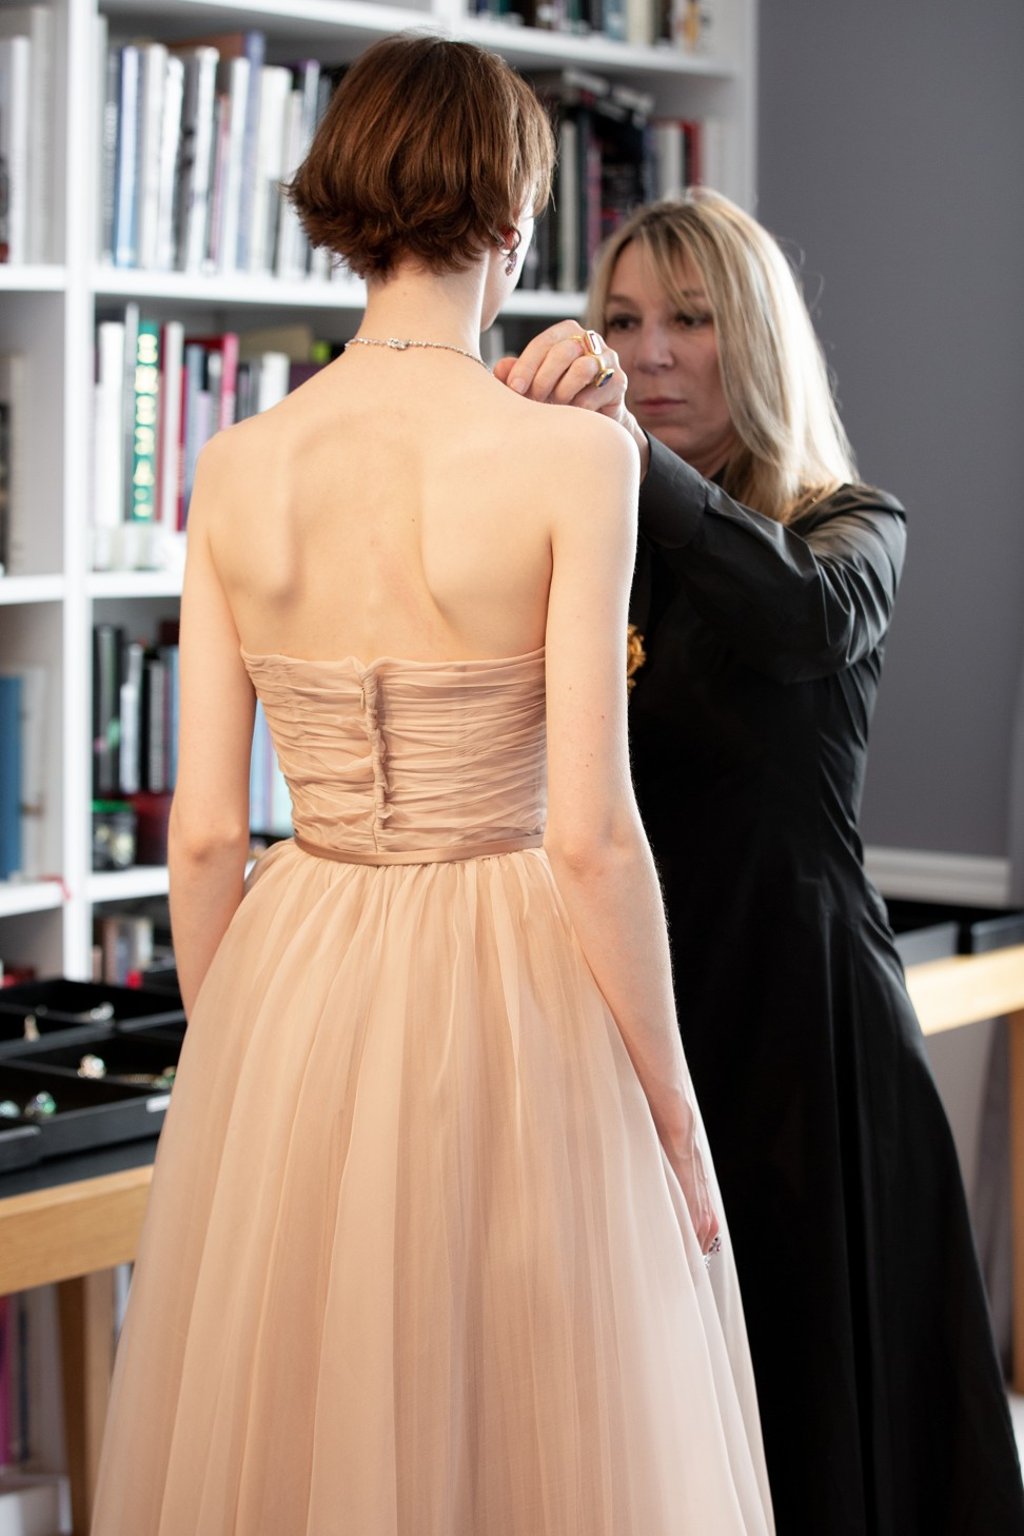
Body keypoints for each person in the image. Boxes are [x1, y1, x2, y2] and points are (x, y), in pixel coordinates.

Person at [90, 43, 775, 1535]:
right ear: (517, 223)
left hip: (301, 964)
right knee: (528, 1430)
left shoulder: (240, 463)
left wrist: (242, 1068)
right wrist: (670, 1102)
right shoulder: (571, 463)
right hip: (513, 972)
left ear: (345, 211)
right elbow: (590, 835)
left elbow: (203, 836)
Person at [495, 190, 1024, 1536]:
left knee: (806, 1389)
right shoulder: (593, 545)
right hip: (631, 1018)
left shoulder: (855, 524)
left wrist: (620, 451)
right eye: (620, 319)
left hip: (805, 1028)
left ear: (760, 338)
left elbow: (797, 620)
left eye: (689, 318)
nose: (647, 352)